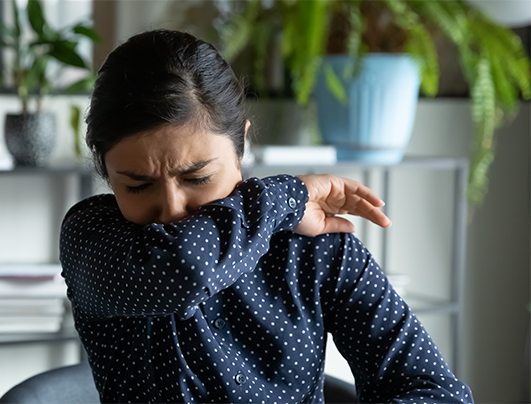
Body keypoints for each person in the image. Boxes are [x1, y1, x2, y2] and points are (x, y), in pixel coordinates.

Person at [60, 29, 473, 403]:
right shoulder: (93, 237)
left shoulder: (314, 246)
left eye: (198, 177)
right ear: (105, 171)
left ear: (241, 142)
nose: (172, 209)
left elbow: (435, 391)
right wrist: (290, 193)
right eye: (137, 185)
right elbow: (184, 270)